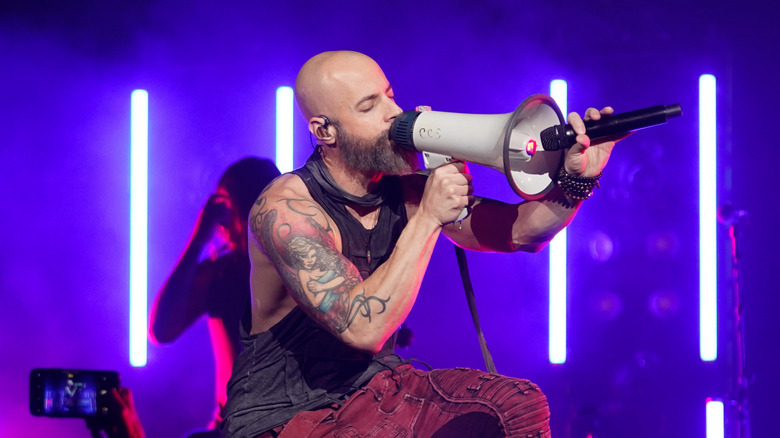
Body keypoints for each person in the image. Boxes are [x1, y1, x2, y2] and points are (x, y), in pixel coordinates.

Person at [222, 50, 625, 438]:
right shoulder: (286, 208)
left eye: (390, 95)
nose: (394, 113)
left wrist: (579, 180)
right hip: (285, 416)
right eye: (368, 106)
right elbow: (363, 329)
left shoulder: (407, 191)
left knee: (513, 406)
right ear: (325, 131)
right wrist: (430, 216)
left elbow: (522, 232)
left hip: (372, 393)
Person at [148, 157, 281, 434]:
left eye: (226, 203)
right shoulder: (221, 273)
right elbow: (161, 330)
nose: (221, 217)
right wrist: (198, 241)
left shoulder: (298, 271)